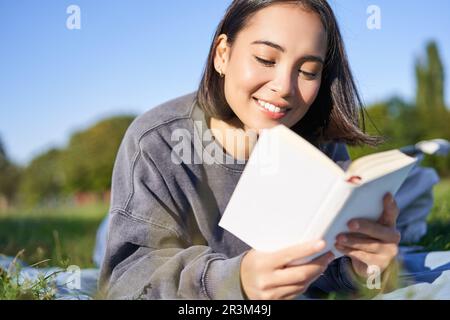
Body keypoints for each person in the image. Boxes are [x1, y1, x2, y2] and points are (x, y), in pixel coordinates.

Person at [99, 0, 401, 300]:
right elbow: (125, 283)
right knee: (107, 239)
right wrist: (235, 280)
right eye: (266, 59)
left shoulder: (322, 147)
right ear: (222, 54)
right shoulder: (156, 141)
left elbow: (327, 270)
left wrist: (362, 268)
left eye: (308, 71)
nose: (284, 87)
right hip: (150, 221)